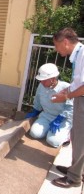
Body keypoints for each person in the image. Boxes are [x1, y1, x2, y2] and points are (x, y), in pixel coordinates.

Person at [51, 28, 84, 188]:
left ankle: (74, 178)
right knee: (76, 136)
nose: (56, 50)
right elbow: (79, 82)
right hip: (79, 98)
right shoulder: (78, 56)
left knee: (80, 140)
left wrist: (66, 96)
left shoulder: (83, 54)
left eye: (57, 46)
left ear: (65, 42)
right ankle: (75, 169)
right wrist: (69, 89)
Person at [25, 63, 73, 148]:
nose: (41, 82)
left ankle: (68, 132)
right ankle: (49, 131)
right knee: (34, 133)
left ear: (53, 79)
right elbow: (37, 99)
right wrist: (35, 111)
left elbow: (71, 107)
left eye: (44, 80)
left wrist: (59, 119)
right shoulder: (41, 86)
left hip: (63, 119)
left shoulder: (66, 87)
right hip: (47, 115)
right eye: (41, 80)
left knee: (53, 141)